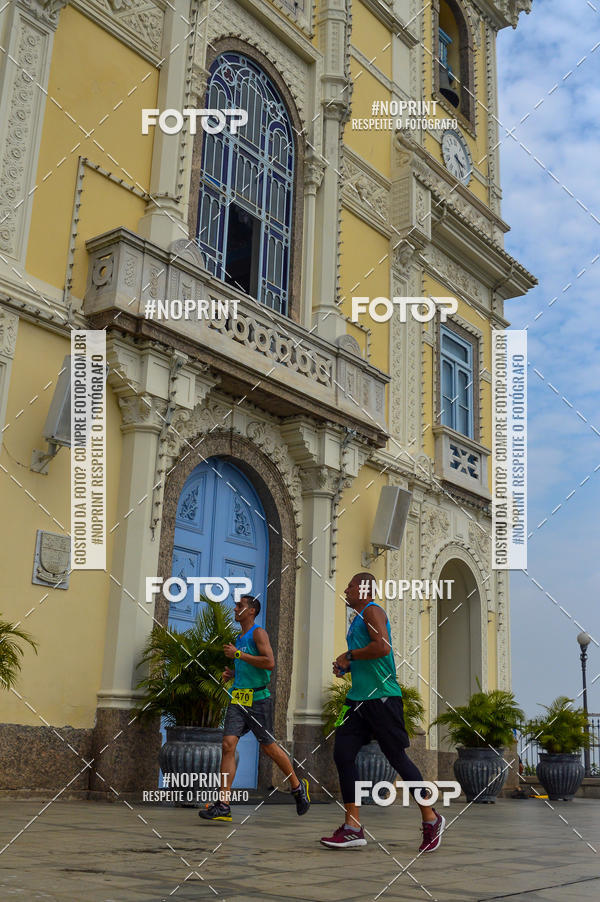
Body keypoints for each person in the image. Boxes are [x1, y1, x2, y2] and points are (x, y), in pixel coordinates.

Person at [320, 572, 445, 851]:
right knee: (342, 753)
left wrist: (349, 655)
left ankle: (431, 817)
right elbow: (369, 653)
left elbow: (382, 646)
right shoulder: (357, 619)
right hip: (356, 700)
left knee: (397, 758)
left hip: (382, 699)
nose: (346, 590)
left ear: (363, 589)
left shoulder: (372, 611)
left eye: (350, 586)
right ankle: (352, 827)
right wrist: (347, 667)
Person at [199, 595, 310, 821]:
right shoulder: (238, 637)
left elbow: (269, 662)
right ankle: (223, 804)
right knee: (228, 744)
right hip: (238, 698)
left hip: (258, 699)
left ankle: (297, 786)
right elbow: (249, 665)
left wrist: (238, 655)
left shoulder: (258, 633)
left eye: (240, 605)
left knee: (268, 748)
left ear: (251, 611)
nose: (235, 608)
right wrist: (233, 672)